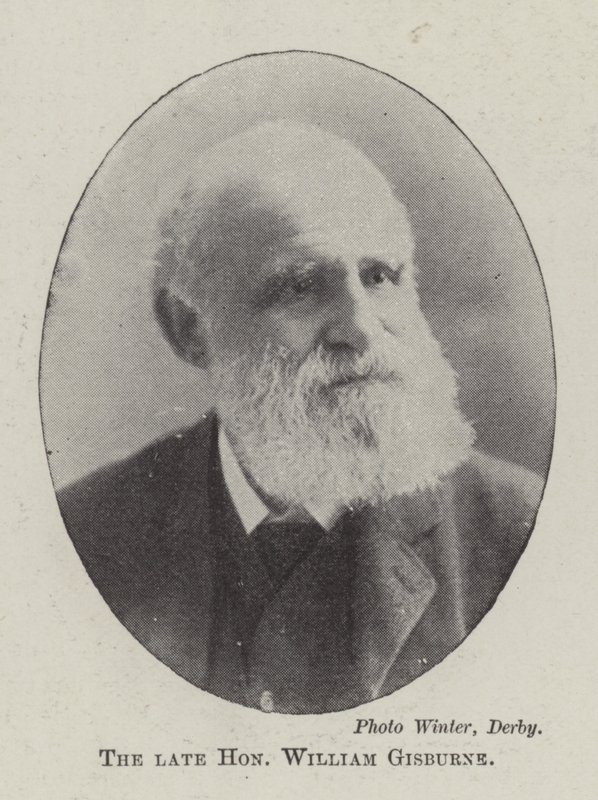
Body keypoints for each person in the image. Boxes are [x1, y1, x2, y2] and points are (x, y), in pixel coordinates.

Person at [58, 120, 543, 713]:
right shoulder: (83, 535)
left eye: (379, 277)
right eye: (303, 286)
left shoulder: (520, 533)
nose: (361, 329)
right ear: (189, 329)